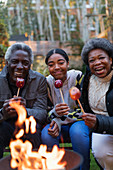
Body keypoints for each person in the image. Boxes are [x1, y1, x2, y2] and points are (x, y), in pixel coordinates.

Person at [41, 48, 90, 170]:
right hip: (58, 123)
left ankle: (83, 167)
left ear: (68, 64)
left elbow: (86, 109)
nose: (56, 67)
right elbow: (46, 111)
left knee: (77, 133)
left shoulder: (77, 77)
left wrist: (61, 117)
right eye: (51, 65)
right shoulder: (47, 83)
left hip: (79, 122)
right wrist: (55, 114)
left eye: (61, 63)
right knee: (47, 134)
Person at [0, 42, 47, 159]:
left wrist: (24, 111)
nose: (20, 67)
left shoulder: (39, 80)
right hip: (4, 123)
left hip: (29, 124)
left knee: (33, 131)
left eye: (25, 63)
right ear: (7, 63)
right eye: (15, 62)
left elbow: (42, 114)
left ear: (30, 65)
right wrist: (3, 113)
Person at [81, 38, 113, 170]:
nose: (97, 63)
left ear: (111, 59)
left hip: (101, 123)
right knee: (101, 152)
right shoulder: (87, 79)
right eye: (92, 60)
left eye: (101, 58)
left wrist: (99, 122)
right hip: (101, 129)